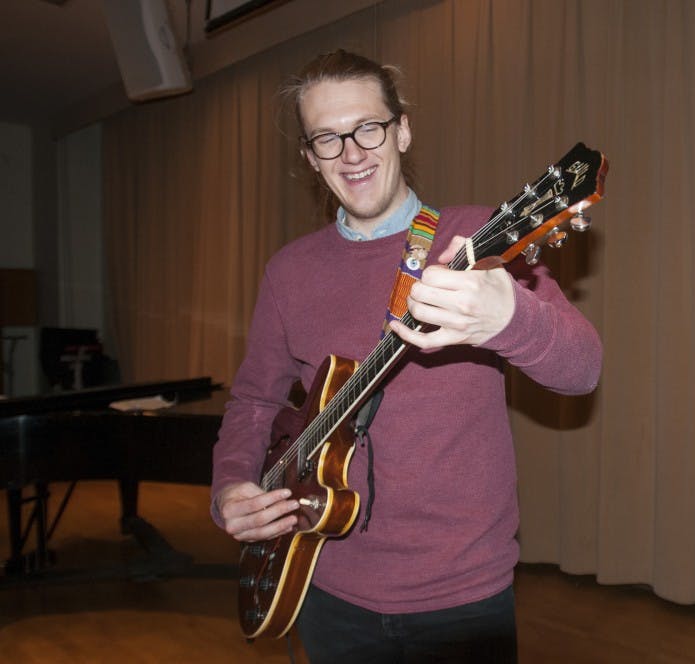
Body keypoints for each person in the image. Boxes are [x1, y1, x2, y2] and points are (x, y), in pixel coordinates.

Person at [210, 49, 602, 663]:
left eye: (369, 127)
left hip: (463, 596)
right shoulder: (288, 271)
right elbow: (256, 400)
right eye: (328, 139)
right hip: (323, 581)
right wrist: (232, 483)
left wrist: (510, 318)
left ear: (403, 130)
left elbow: (582, 371)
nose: (353, 152)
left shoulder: (477, 240)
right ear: (311, 158)